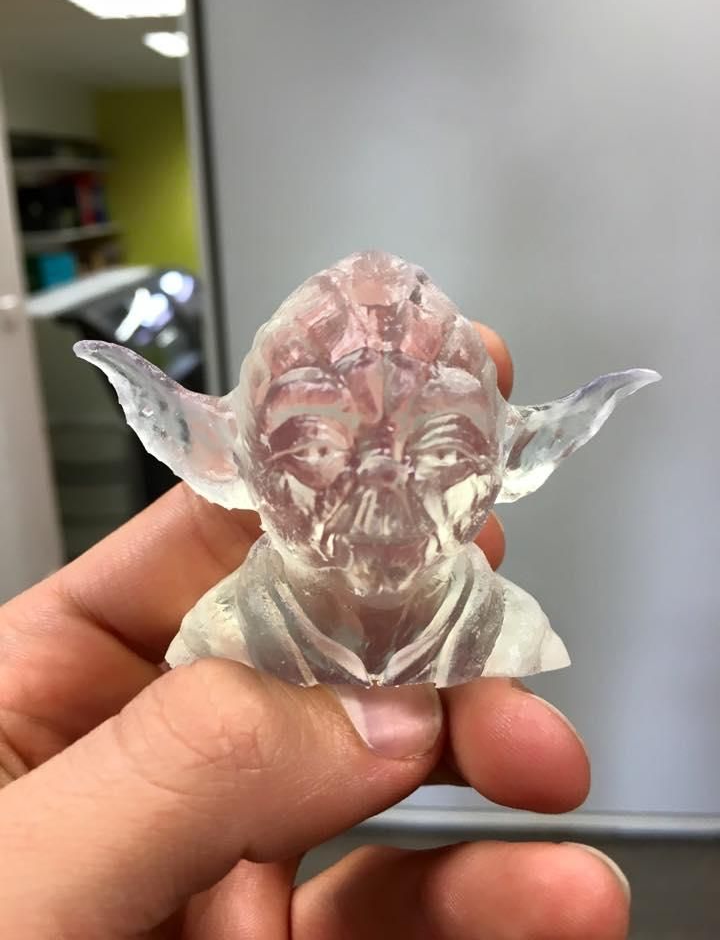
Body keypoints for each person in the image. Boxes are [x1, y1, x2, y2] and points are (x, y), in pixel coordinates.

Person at [0, 326, 630, 938]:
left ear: (498, 468)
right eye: (317, 454)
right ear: (237, 466)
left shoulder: (501, 627)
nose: (382, 494)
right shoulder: (224, 635)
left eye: (438, 455)